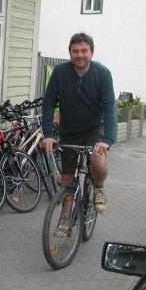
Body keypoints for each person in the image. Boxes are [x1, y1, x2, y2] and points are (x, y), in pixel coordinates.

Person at [40, 33, 117, 222]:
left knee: (98, 161)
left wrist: (107, 140)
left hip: (94, 130)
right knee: (66, 180)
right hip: (69, 131)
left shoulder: (102, 74)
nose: (80, 55)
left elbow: (109, 107)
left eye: (84, 51)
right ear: (70, 53)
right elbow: (49, 103)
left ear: (91, 52)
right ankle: (65, 218)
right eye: (75, 51)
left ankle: (98, 187)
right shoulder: (60, 73)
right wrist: (48, 135)